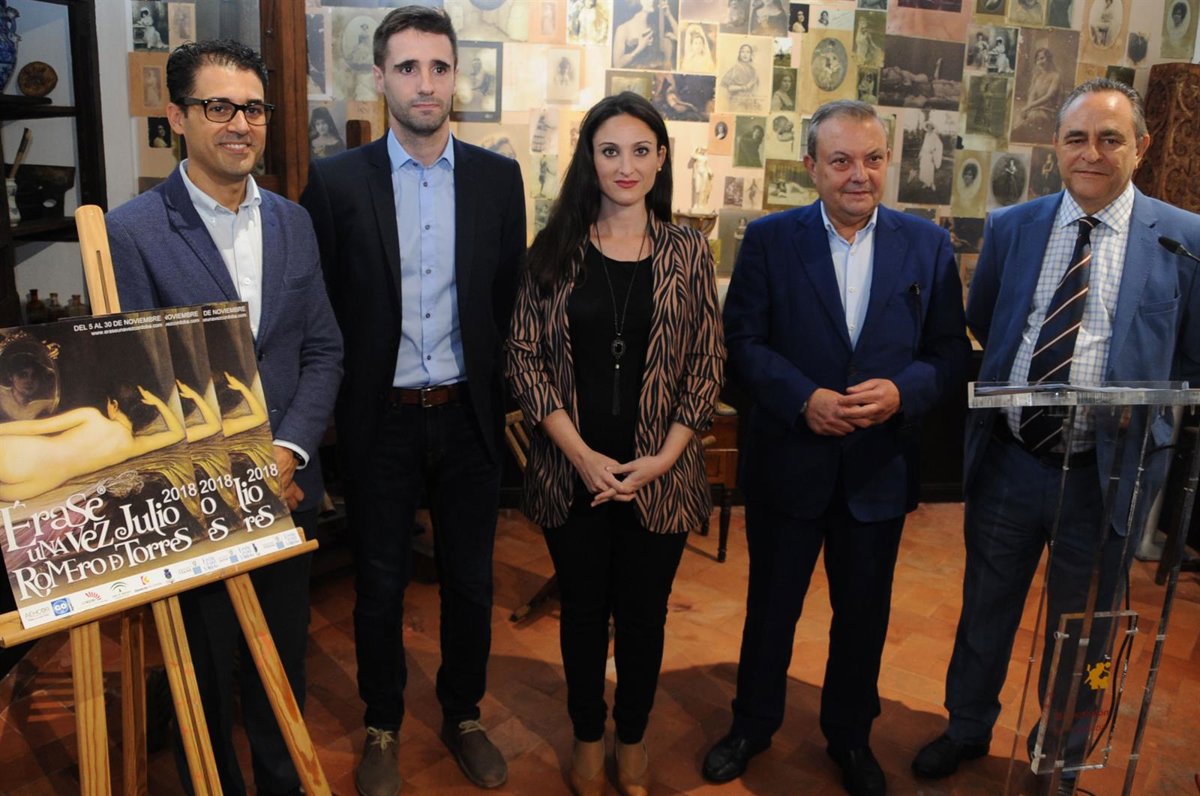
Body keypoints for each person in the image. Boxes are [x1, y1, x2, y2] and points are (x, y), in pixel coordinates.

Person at [912, 78, 1200, 789]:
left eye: (1110, 138)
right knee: (984, 609)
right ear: (1056, 145)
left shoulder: (1184, 238)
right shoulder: (1014, 227)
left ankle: (1062, 753)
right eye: (1077, 138)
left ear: (1142, 146)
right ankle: (966, 726)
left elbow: (1191, 356)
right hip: (1009, 463)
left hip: (1108, 475)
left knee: (1089, 630)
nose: (1091, 153)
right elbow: (990, 320)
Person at [703, 99, 969, 796]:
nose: (860, 175)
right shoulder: (769, 239)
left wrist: (903, 392)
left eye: (873, 159)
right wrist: (803, 398)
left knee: (864, 618)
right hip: (790, 461)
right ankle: (752, 725)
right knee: (771, 610)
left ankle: (850, 737)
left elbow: (948, 352)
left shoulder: (927, 244)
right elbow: (743, 342)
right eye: (842, 160)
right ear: (811, 167)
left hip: (877, 469)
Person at [106, 39, 343, 796]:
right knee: (202, 679)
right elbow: (135, 385)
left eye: (253, 108)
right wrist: (236, 474)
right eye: (219, 107)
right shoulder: (133, 231)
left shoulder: (293, 222)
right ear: (177, 117)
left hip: (288, 489)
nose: (240, 124)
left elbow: (322, 350)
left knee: (281, 667)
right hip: (193, 502)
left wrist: (288, 452)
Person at [299, 7, 525, 795]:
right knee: (379, 585)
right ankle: (382, 723)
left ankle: (464, 714)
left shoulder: (497, 179)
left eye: (438, 67)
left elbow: (506, 298)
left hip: (467, 418)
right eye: (407, 67)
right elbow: (322, 307)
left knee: (471, 583)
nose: (424, 83)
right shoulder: (335, 183)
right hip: (381, 421)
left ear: (455, 76)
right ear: (380, 77)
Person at [505, 90, 724, 796]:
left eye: (639, 150)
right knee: (581, 614)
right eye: (609, 151)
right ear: (589, 160)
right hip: (573, 476)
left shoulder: (689, 251)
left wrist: (664, 458)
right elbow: (523, 359)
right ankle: (586, 734)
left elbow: (706, 362)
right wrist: (581, 455)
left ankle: (632, 736)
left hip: (662, 476)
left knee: (642, 618)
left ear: (661, 159)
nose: (625, 166)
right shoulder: (554, 251)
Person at [0, 386, 184, 501]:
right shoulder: (132, 447)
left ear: (114, 405)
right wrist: (157, 403)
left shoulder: (92, 416)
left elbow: (35, 428)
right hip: (37, 485)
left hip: (26, 454)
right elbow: (177, 433)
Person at [613, 0, 678, 70]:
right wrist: (639, 49)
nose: (653, 1)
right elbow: (617, 64)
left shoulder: (655, 26)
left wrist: (669, 15)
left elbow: (680, 38)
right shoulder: (623, 28)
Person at [1015, 48, 1063, 137]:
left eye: (1042, 58)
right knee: (1021, 116)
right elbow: (1032, 94)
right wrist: (1027, 108)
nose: (1040, 62)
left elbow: (1048, 96)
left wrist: (1030, 106)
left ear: (1049, 59)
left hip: (1048, 110)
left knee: (1033, 117)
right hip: (1035, 108)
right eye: (1037, 60)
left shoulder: (1056, 76)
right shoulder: (1037, 76)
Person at [918, 121, 944, 191]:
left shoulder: (934, 135)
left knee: (930, 169)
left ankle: (932, 183)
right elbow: (924, 145)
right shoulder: (926, 135)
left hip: (930, 155)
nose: (929, 127)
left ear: (932, 127)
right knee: (924, 168)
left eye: (930, 126)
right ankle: (926, 182)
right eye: (928, 126)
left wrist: (933, 152)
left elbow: (939, 145)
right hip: (924, 154)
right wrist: (920, 153)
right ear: (927, 127)